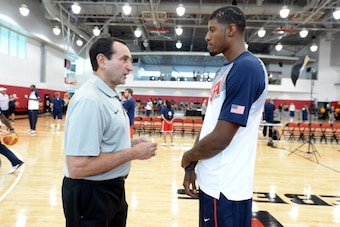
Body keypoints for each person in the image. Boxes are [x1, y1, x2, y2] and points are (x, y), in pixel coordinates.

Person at [181, 6, 267, 227]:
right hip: (212, 183)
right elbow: (210, 123)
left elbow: (221, 137)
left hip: (226, 189)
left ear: (231, 29)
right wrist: (193, 165)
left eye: (212, 29)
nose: (207, 36)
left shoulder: (247, 68)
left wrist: (188, 156)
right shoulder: (225, 70)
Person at [61, 37, 157, 227]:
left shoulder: (110, 96)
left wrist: (129, 144)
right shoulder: (90, 100)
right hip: (92, 194)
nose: (130, 67)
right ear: (102, 61)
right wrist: (132, 153)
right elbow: (78, 167)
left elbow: (102, 144)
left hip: (111, 190)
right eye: (124, 59)